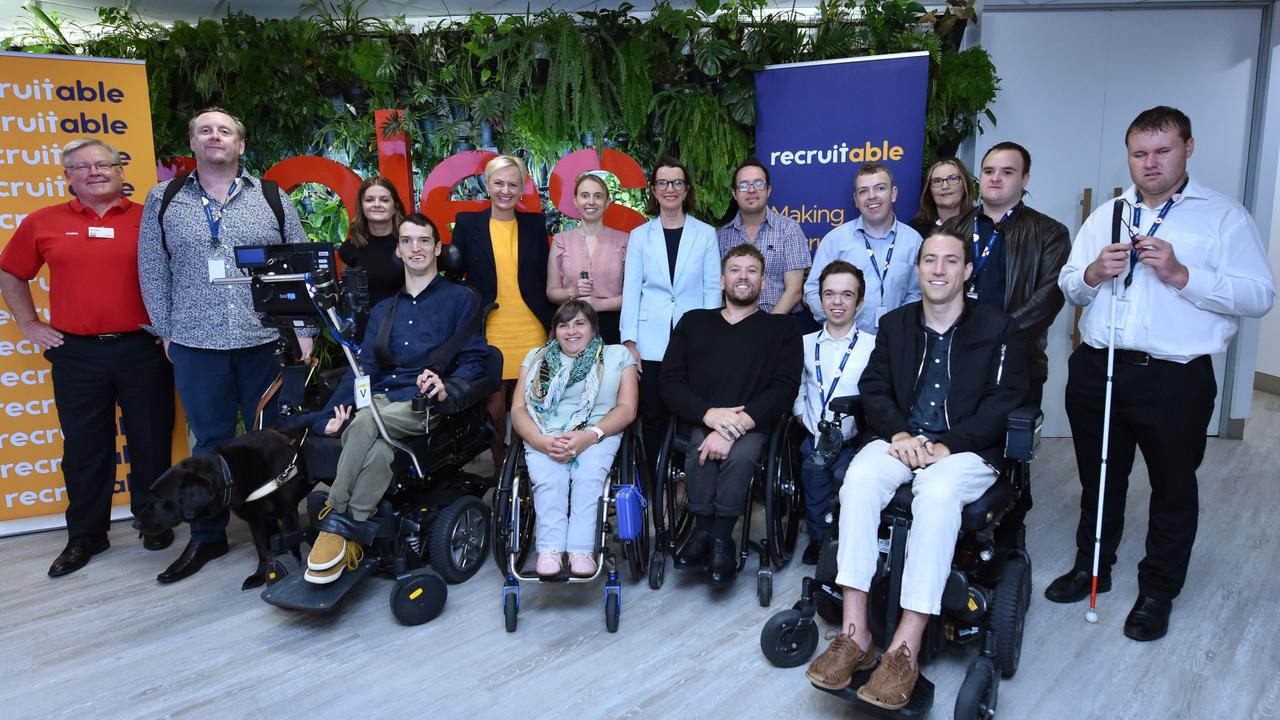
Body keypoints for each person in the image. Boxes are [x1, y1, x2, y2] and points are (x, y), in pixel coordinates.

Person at [1046, 106, 1276, 642]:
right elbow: (1070, 287)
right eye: (1139, 153)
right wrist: (1094, 273)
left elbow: (1260, 295)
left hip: (1174, 377)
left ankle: (1158, 589)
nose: (1150, 163)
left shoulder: (1223, 217)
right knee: (1100, 477)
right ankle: (1092, 566)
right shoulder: (1106, 214)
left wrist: (1181, 274)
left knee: (1173, 487)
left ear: (1188, 148)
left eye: (1162, 151)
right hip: (1099, 367)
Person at [805, 228, 1027, 709]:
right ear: (919, 269)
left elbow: (1005, 402)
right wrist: (901, 435)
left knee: (939, 494)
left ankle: (906, 648)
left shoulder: (998, 328)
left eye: (951, 261)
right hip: (900, 440)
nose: (939, 269)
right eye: (930, 260)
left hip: (966, 451)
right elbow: (876, 389)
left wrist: (949, 445)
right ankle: (855, 634)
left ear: (967, 272)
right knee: (859, 480)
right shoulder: (897, 324)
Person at [138, 107, 314, 584]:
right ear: (192, 143)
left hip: (263, 340)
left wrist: (304, 330)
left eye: (225, 130)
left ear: (240, 144)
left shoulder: (272, 198)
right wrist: (167, 330)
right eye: (204, 130)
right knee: (209, 443)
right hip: (197, 343)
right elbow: (153, 269)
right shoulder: (165, 197)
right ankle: (207, 536)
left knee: (272, 442)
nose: (215, 137)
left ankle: (283, 535)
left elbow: (296, 264)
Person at [0, 138, 175, 577]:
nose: (95, 172)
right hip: (76, 353)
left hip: (143, 349)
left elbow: (186, 273)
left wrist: (173, 326)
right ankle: (86, 534)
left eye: (104, 164)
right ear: (67, 176)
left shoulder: (151, 219)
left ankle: (153, 521)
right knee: (84, 449)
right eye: (83, 166)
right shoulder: (42, 222)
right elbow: (10, 271)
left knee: (152, 440)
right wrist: (30, 325)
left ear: (121, 170)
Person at [306, 214, 489, 584]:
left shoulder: (461, 299)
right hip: (380, 399)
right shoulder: (383, 310)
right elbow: (363, 370)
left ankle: (334, 519)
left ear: (438, 248)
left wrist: (447, 385)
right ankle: (355, 535)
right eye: (407, 241)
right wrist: (324, 418)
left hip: (424, 404)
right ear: (398, 250)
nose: (416, 248)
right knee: (378, 453)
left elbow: (475, 359)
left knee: (365, 421)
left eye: (424, 241)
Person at [660, 244, 802, 585]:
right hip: (702, 421)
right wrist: (710, 416)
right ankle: (703, 532)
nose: (743, 277)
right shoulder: (694, 322)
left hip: (753, 425)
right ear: (722, 280)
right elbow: (670, 382)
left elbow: (784, 388)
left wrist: (735, 426)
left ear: (764, 283)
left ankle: (720, 537)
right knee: (700, 450)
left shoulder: (781, 330)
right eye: (736, 270)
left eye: (752, 271)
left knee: (739, 457)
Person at [510, 300, 639, 578]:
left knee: (589, 477)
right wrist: (541, 441)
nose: (572, 331)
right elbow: (519, 410)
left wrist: (589, 436)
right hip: (544, 433)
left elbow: (627, 409)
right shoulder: (536, 357)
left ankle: (581, 550)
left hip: (597, 433)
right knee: (549, 479)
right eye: (563, 324)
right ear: (554, 330)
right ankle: (550, 550)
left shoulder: (617, 356)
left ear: (593, 328)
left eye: (580, 323)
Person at [942, 141, 1070, 409]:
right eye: (988, 171)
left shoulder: (1049, 232)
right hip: (956, 358)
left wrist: (996, 336)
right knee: (956, 444)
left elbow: (1047, 301)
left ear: (1025, 179)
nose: (995, 178)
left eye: (1007, 172)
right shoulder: (954, 228)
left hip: (1017, 361)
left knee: (1009, 448)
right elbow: (935, 287)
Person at [452, 155, 554, 468]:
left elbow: (542, 277)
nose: (505, 190)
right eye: (499, 183)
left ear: (522, 188)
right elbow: (456, 281)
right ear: (487, 184)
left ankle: (523, 466)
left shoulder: (535, 224)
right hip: (489, 326)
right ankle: (501, 468)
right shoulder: (468, 224)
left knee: (531, 405)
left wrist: (553, 325)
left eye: (513, 184)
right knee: (493, 409)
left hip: (530, 325)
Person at [620, 156, 721, 461]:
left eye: (677, 182)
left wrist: (709, 338)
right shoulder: (639, 236)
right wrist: (629, 341)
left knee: (690, 416)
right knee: (653, 416)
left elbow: (712, 290)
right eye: (663, 183)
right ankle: (655, 489)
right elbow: (631, 290)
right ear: (653, 189)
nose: (670, 189)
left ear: (687, 189)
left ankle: (682, 483)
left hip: (693, 341)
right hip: (650, 343)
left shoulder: (705, 234)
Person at [792, 261, 874, 564]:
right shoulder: (805, 344)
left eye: (846, 295)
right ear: (820, 299)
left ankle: (845, 537)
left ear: (859, 302)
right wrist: (800, 409)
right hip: (815, 436)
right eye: (829, 294)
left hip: (854, 441)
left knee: (846, 487)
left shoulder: (872, 347)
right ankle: (817, 537)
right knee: (814, 486)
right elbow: (799, 382)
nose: (837, 302)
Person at [804, 162, 923, 335]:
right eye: (863, 191)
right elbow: (813, 290)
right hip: (844, 342)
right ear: (856, 200)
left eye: (880, 188)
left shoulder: (914, 241)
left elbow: (918, 293)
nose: (872, 196)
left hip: (897, 341)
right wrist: (837, 322)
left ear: (894, 194)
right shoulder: (835, 240)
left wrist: (900, 326)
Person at [716, 157, 811, 318]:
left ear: (768, 190)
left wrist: (766, 328)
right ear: (734, 193)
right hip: (732, 327)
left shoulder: (789, 230)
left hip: (778, 324)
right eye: (744, 185)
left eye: (758, 184)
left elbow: (794, 290)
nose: (751, 190)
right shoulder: (721, 237)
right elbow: (717, 290)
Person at [546, 173, 629, 344]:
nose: (591, 202)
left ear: (607, 202)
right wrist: (575, 292)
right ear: (576, 201)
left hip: (614, 327)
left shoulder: (625, 241)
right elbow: (552, 292)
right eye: (585, 195)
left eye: (598, 196)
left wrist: (600, 304)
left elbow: (635, 295)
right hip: (571, 328)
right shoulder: (561, 241)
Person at [338, 176, 408, 342]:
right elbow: (348, 298)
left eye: (384, 199)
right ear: (362, 207)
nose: (377, 204)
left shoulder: (410, 244)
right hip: (365, 334)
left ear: (395, 207)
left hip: (406, 331)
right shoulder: (349, 249)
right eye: (369, 199)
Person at [909, 157, 975, 236]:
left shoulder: (978, 225)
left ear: (965, 185)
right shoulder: (915, 231)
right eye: (937, 181)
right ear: (929, 190)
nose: (945, 186)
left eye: (953, 178)